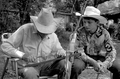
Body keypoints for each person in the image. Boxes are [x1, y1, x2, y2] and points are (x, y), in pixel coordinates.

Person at [1, 8, 69, 79]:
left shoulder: (53, 36)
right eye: (43, 30)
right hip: (26, 67)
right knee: (31, 74)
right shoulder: (25, 30)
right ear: (37, 25)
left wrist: (61, 52)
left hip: (44, 66)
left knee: (66, 64)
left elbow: (60, 50)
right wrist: (23, 55)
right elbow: (5, 46)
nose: (46, 33)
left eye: (48, 30)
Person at [70, 6, 118, 79]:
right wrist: (93, 62)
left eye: (89, 22)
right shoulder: (79, 32)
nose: (86, 25)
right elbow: (78, 51)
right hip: (83, 57)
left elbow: (111, 51)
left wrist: (105, 64)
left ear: (97, 23)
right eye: (84, 22)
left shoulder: (104, 33)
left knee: (118, 66)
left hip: (98, 56)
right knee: (76, 67)